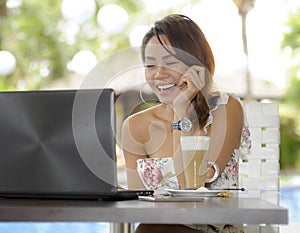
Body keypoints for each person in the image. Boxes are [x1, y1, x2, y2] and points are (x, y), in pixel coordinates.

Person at [121, 14, 249, 233]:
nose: (159, 74)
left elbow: (193, 183)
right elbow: (138, 206)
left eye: (170, 62)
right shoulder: (136, 126)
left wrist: (183, 110)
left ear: (196, 64)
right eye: (150, 65)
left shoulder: (227, 109)